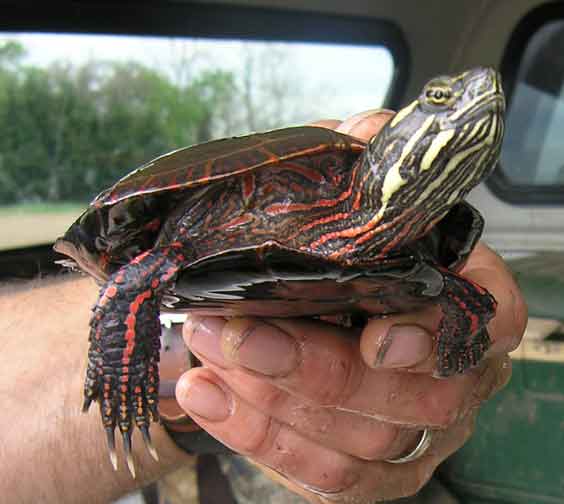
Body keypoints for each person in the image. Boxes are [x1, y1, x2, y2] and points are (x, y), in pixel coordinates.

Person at [0, 110, 527, 504]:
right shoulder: (309, 179)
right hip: (189, 249)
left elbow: (467, 305)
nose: (480, 103)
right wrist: (138, 373)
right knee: (134, 284)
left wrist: (452, 360)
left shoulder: (413, 239)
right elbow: (132, 278)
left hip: (364, 282)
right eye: (441, 102)